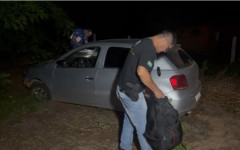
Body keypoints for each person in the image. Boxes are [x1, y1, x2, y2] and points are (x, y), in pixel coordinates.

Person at [116, 30, 176, 150]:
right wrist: (156, 90)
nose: (165, 51)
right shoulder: (149, 48)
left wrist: (145, 88)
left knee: (129, 120)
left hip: (122, 89)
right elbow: (142, 72)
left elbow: (136, 69)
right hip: (131, 93)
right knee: (144, 128)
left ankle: (124, 147)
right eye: (167, 48)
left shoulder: (143, 41)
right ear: (165, 40)